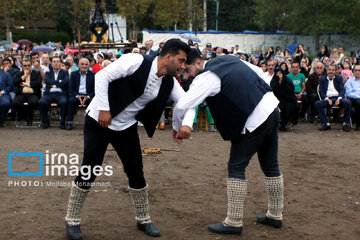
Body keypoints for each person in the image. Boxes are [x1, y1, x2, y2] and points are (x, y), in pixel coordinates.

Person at [63, 39, 191, 240]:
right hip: (99, 120)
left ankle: (144, 219)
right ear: (168, 56)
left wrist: (185, 125)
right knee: (90, 168)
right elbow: (102, 76)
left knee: (135, 170)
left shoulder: (170, 82)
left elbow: (187, 103)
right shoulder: (135, 60)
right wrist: (105, 109)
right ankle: (72, 220)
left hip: (126, 126)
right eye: (181, 61)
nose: (183, 66)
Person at [173, 49, 283, 235]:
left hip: (254, 119)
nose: (186, 74)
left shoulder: (205, 77)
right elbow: (258, 71)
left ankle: (233, 221)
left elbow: (183, 104)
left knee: (236, 167)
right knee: (271, 166)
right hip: (271, 109)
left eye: (187, 70)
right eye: (183, 71)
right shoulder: (228, 58)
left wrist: (177, 127)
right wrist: (263, 96)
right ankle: (275, 215)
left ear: (199, 63)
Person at [315, 64, 352, 132]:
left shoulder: (339, 78)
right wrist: (327, 99)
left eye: (333, 70)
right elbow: (321, 91)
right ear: (327, 70)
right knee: (317, 103)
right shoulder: (322, 79)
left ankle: (345, 123)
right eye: (329, 70)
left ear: (335, 71)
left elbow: (342, 90)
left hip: (338, 98)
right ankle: (326, 123)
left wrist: (339, 98)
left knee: (348, 103)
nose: (331, 71)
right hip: (328, 98)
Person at [38, 56, 69, 129]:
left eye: (57, 62)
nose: (56, 63)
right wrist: (59, 82)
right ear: (51, 63)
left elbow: (65, 82)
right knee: (41, 102)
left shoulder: (65, 72)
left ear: (60, 63)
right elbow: (47, 81)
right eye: (54, 62)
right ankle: (45, 122)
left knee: (64, 102)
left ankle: (62, 122)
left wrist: (54, 83)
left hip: (60, 93)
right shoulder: (48, 72)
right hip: (50, 93)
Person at [67, 58, 95, 130]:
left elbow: (95, 89)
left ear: (89, 66)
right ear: (79, 65)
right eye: (82, 64)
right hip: (77, 95)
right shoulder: (73, 74)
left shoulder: (93, 75)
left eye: (86, 64)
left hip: (88, 95)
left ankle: (91, 124)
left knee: (94, 102)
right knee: (70, 101)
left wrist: (88, 96)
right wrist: (77, 96)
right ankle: (69, 122)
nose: (84, 66)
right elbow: (71, 88)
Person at [13, 58, 42, 126]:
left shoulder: (36, 73)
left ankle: (29, 117)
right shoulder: (19, 74)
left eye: (29, 65)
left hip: (33, 94)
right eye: (25, 66)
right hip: (22, 94)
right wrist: (24, 76)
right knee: (15, 102)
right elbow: (15, 83)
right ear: (22, 66)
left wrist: (27, 84)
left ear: (31, 66)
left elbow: (38, 83)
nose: (27, 67)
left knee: (33, 102)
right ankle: (24, 115)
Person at [345, 64, 360, 131]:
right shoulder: (350, 81)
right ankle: (358, 125)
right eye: (356, 70)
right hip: (354, 99)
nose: (357, 72)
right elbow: (349, 93)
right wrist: (358, 97)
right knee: (358, 102)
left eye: (359, 70)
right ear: (353, 72)